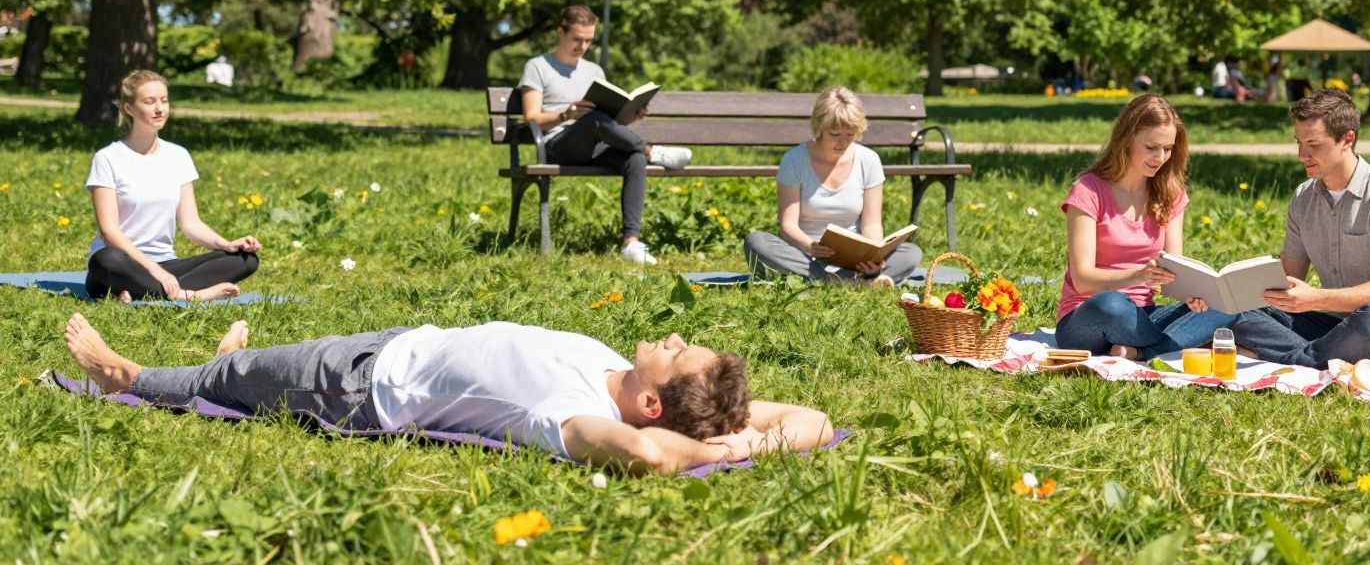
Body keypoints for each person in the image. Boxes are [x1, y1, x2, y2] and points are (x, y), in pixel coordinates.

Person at [62, 314, 833, 475]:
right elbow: (815, 418)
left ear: (656, 405)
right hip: (399, 344)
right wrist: (745, 439)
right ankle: (233, 365)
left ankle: (121, 375)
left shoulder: (572, 419)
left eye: (676, 353)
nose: (669, 338)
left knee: (225, 382)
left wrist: (702, 449)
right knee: (244, 370)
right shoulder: (616, 379)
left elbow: (646, 456)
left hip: (356, 385)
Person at [1229, 90, 1370, 369]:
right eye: (1299, 143)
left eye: (1313, 144)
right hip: (1329, 325)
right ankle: (1324, 359)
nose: (1302, 155)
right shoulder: (1303, 198)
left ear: (1347, 139)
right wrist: (1235, 290)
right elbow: (1288, 279)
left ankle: (1292, 360)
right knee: (1240, 312)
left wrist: (1315, 298)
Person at [1054, 94, 1236, 359]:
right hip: (1087, 317)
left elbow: (1176, 270)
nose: (1161, 157)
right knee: (1112, 304)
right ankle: (1171, 345)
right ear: (1126, 139)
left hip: (1143, 316)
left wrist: (1194, 294)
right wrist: (1138, 276)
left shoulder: (1169, 192)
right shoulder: (1089, 190)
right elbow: (1083, 280)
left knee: (1228, 306)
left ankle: (1137, 352)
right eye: (1151, 147)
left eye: (1168, 148)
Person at [519, 5, 691, 265]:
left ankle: (631, 242)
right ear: (560, 32)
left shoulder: (593, 71)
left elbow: (609, 121)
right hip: (557, 145)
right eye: (577, 39)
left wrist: (632, 114)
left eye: (589, 40)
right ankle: (653, 151)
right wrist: (567, 114)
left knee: (633, 157)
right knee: (594, 119)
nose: (583, 46)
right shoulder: (537, 67)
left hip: (595, 142)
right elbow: (531, 118)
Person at [84, 70, 261, 302]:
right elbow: (109, 233)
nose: (159, 108)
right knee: (105, 259)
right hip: (122, 263)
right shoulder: (107, 158)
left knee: (246, 259)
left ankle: (137, 291)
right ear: (129, 109)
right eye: (149, 102)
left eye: (164, 101)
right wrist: (154, 270)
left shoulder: (179, 156)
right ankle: (190, 295)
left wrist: (227, 244)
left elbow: (191, 224)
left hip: (167, 264)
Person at [743, 85, 921, 286]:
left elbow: (871, 224)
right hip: (806, 256)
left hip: (854, 261)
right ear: (819, 128)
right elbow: (787, 226)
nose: (843, 142)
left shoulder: (868, 160)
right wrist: (810, 245)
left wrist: (873, 258)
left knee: (911, 253)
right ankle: (854, 283)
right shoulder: (794, 160)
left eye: (850, 134)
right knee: (756, 242)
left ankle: (845, 279)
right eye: (835, 134)